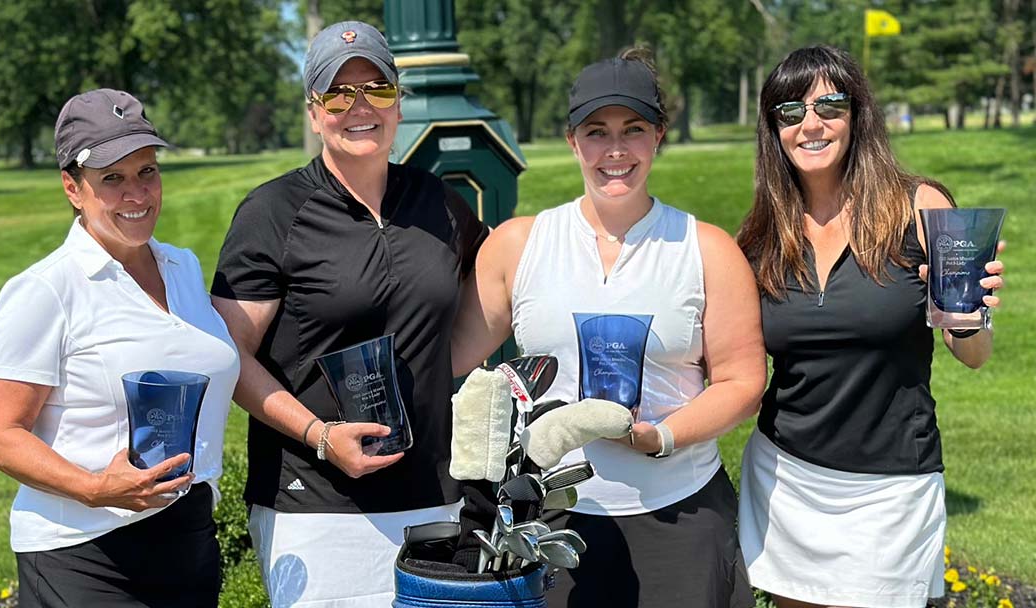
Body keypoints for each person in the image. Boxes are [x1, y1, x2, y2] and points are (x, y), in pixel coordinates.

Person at [452, 49, 765, 608]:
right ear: (572, 140)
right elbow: (449, 360)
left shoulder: (706, 249)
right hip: (551, 518)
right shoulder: (520, 245)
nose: (615, 150)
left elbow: (743, 382)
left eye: (633, 130)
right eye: (596, 132)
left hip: (680, 511)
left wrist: (658, 437)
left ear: (659, 136)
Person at [210, 20, 488, 607]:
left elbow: (498, 289)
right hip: (317, 506)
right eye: (339, 93)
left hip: (435, 494)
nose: (359, 108)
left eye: (378, 90)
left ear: (398, 103)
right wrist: (319, 434)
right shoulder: (272, 213)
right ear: (315, 112)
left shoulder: (441, 205)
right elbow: (226, 354)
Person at [736, 45, 1006, 608]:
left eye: (830, 105)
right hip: (787, 476)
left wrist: (968, 312)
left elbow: (975, 354)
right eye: (791, 112)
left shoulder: (918, 205)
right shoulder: (761, 235)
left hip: (892, 485)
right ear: (774, 130)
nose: (811, 124)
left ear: (857, 114)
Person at [0, 88, 240, 607]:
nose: (137, 195)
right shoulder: (48, 289)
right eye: (112, 180)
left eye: (147, 172)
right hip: (83, 552)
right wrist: (95, 488)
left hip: (187, 542)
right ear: (73, 188)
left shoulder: (182, 267)